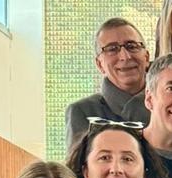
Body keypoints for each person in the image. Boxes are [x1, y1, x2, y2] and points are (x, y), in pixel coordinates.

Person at [64, 19, 151, 151]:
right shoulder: (83, 112)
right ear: (99, 64)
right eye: (112, 49)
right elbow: (76, 169)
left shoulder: (169, 105)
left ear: (146, 57)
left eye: (132, 46)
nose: (125, 56)